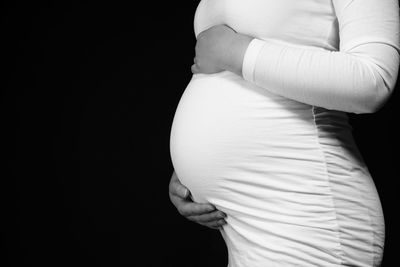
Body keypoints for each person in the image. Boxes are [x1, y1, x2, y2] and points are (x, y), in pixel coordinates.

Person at [169, 0, 399, 266]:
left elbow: (374, 80)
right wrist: (191, 173)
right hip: (243, 229)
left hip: (306, 212)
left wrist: (239, 53)